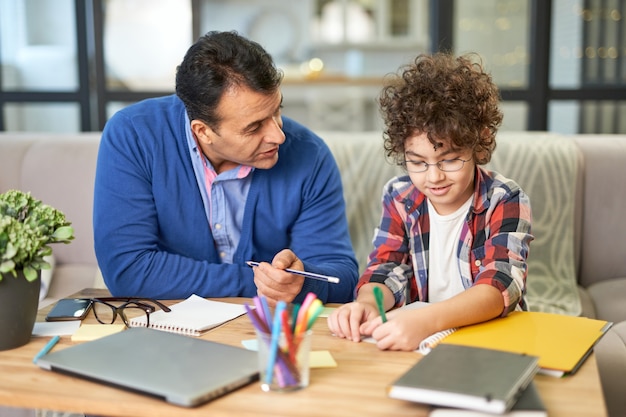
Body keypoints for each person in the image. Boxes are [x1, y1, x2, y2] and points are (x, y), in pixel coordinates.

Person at [93, 31, 359, 305]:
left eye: (277, 111)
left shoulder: (309, 154)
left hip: (264, 333)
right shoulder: (134, 136)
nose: (278, 136)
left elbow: (341, 278)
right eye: (254, 127)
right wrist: (257, 283)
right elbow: (128, 271)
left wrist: (300, 282)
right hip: (166, 331)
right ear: (203, 132)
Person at [327, 52, 534, 351]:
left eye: (449, 160)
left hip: (491, 340)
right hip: (422, 340)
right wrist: (368, 305)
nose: (434, 176)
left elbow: (498, 288)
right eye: (418, 162)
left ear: (479, 143)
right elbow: (386, 268)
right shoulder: (399, 196)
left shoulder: (505, 198)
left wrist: (424, 321)